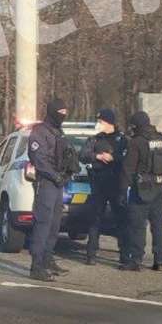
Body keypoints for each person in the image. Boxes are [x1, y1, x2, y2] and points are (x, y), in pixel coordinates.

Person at [119, 111, 162, 271]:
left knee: (138, 226)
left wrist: (123, 191)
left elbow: (128, 169)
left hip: (141, 189)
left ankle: (135, 260)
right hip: (159, 188)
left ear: (136, 125)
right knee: (158, 226)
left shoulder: (137, 142)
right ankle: (159, 260)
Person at [27, 97, 70, 281]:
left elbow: (64, 155)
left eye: (65, 114)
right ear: (53, 112)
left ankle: (47, 258)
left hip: (58, 183)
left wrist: (69, 167)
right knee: (43, 223)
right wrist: (55, 175)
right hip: (46, 183)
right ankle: (36, 265)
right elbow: (39, 159)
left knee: (54, 224)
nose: (63, 116)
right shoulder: (39, 132)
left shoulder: (58, 132)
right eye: (60, 113)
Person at [80, 108, 128, 266]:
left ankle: (124, 254)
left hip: (115, 184)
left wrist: (113, 158)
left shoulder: (122, 140)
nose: (98, 124)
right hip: (98, 184)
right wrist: (97, 156)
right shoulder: (95, 140)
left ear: (109, 122)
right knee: (95, 220)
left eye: (101, 122)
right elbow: (83, 155)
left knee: (120, 220)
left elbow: (128, 158)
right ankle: (91, 254)